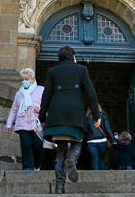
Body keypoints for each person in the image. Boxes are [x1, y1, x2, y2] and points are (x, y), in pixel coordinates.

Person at [39, 46, 101, 194]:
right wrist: (96, 115)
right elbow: (91, 93)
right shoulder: (81, 70)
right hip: (75, 112)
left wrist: (42, 117)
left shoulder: (52, 71)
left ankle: (60, 187)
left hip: (56, 114)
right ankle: (72, 159)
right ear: (73, 56)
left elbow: (46, 96)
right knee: (77, 142)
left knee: (60, 151)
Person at [4, 68, 44, 171]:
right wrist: (9, 124)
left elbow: (47, 105)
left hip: (36, 124)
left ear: (33, 78)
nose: (24, 81)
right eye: (23, 79)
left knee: (38, 145)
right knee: (26, 147)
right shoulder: (19, 93)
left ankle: (37, 165)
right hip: (22, 124)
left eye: (26, 79)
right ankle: (27, 169)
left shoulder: (41, 90)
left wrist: (41, 110)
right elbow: (14, 109)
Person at [86, 104, 117, 170]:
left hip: (91, 142)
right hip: (102, 141)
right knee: (102, 160)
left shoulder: (87, 118)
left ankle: (96, 178)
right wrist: (113, 139)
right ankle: (103, 178)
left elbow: (85, 131)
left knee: (95, 160)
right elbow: (107, 128)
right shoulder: (103, 115)